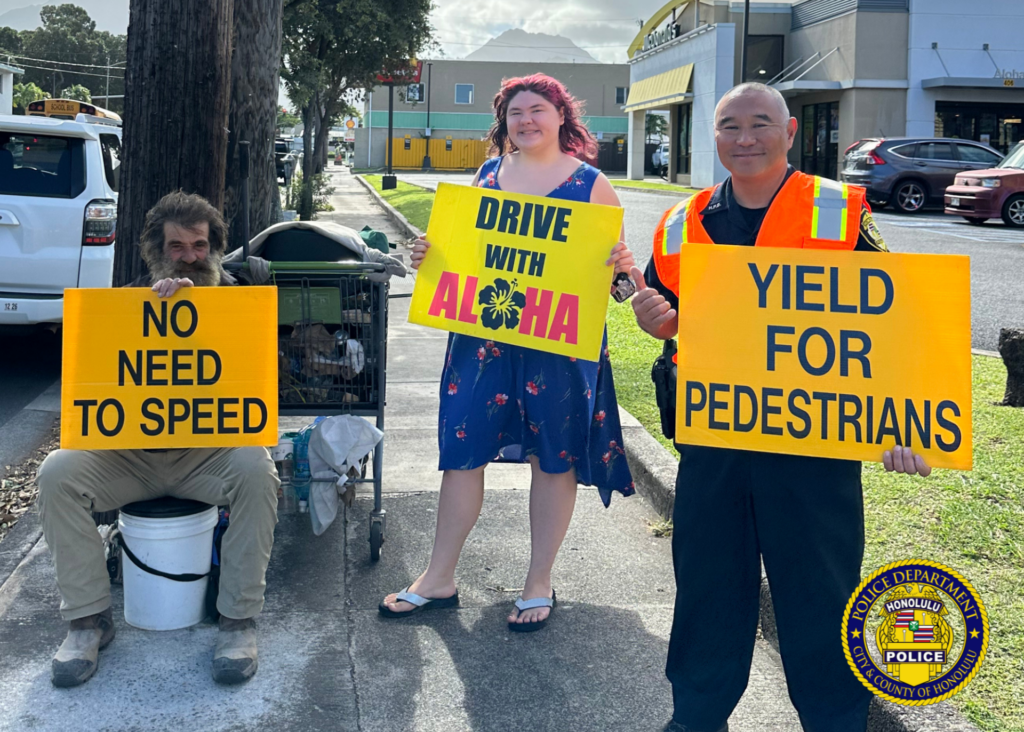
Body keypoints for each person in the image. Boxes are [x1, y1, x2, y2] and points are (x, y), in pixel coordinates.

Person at [631, 83, 932, 732]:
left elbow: (891, 323)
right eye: (729, 126)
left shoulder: (838, 209)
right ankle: (696, 716)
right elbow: (668, 316)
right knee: (708, 592)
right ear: (712, 136)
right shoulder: (682, 222)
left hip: (810, 453)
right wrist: (655, 321)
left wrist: (904, 426)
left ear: (789, 132)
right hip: (713, 448)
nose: (745, 138)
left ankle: (835, 720)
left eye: (760, 124)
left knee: (820, 597)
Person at [380, 73, 637, 631]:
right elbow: (463, 256)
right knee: (462, 451)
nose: (526, 120)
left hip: (559, 347)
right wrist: (432, 253)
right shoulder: (487, 175)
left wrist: (622, 271)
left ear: (561, 117)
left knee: (553, 455)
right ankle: (438, 576)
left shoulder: (591, 184)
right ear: (505, 123)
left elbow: (619, 287)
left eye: (537, 109)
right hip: (484, 339)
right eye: (515, 112)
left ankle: (538, 579)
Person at [37, 191, 279, 687]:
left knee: (257, 470)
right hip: (131, 458)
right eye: (176, 246)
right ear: (155, 251)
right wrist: (146, 312)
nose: (190, 255)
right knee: (57, 472)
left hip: (208, 456)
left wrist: (209, 310)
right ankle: (87, 622)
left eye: (199, 244)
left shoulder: (241, 298)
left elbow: (261, 379)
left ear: (214, 246)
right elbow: (91, 382)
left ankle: (237, 621)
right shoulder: (125, 303)